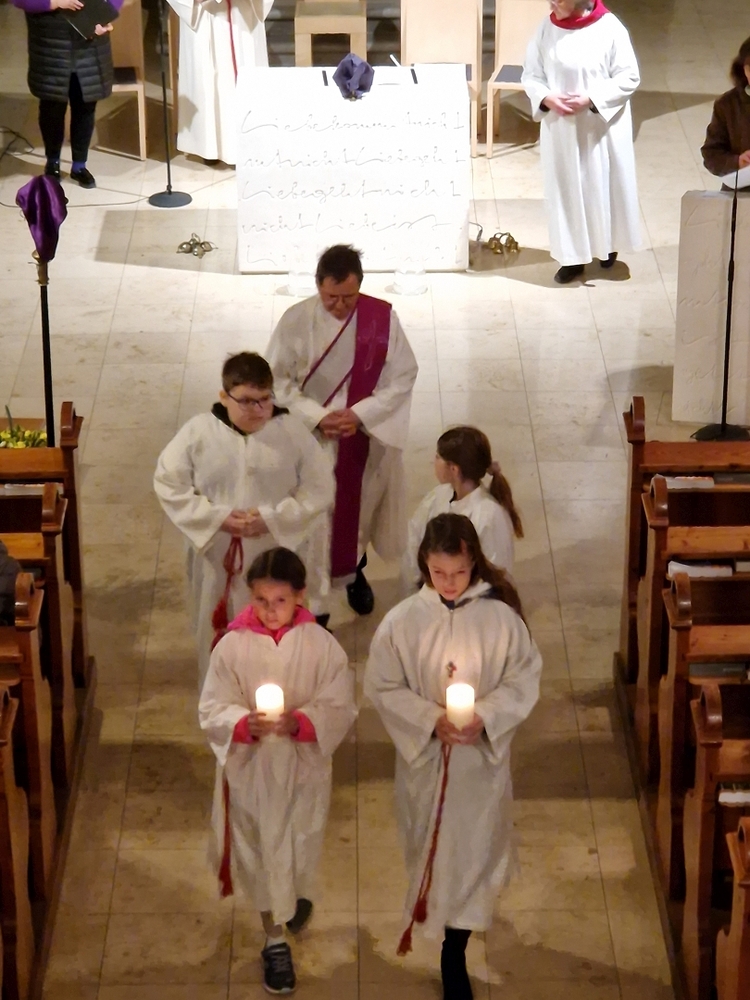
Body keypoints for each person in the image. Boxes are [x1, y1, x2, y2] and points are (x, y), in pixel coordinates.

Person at [365, 514, 542, 1000]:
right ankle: (444, 929)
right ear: (424, 563)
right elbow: (381, 685)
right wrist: (429, 719)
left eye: (459, 572)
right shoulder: (402, 622)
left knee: (474, 857)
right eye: (439, 572)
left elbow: (524, 677)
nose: (449, 583)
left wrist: (484, 715)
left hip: (478, 769)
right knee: (430, 853)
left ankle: (455, 950)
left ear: (474, 564)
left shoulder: (500, 620)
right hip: (424, 765)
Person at [199, 547, 356, 995]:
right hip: (252, 772)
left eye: (280, 601)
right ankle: (274, 940)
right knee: (263, 851)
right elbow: (212, 706)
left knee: (299, 842)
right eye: (261, 601)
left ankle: (293, 895)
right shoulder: (232, 647)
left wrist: (302, 723)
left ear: (300, 596)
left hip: (302, 769)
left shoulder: (320, 646)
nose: (270, 611)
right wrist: (241, 723)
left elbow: (340, 703)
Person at [154, 352, 334, 685]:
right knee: (216, 636)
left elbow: (320, 487)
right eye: (248, 401)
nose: (258, 410)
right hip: (217, 555)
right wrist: (217, 517)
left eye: (265, 399)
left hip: (274, 554)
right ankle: (221, 701)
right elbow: (168, 482)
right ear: (224, 396)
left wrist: (272, 519)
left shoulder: (291, 432)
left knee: (277, 639)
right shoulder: (198, 433)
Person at [266, 244, 419, 617]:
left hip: (361, 436)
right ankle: (311, 594)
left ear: (360, 286)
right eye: (331, 297)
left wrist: (359, 414)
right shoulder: (295, 320)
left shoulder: (380, 320)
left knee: (359, 511)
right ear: (318, 285)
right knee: (314, 516)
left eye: (348, 297)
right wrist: (318, 416)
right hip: (310, 437)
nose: (339, 306)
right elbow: (276, 382)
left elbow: (402, 376)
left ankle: (355, 573)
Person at [522, 0, 641, 284]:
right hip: (562, 130)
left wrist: (592, 99)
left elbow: (629, 76)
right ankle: (572, 258)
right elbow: (531, 74)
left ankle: (607, 246)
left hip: (600, 129)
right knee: (567, 191)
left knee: (602, 186)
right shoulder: (545, 29)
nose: (553, 3)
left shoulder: (609, 27)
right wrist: (546, 97)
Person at [13, 0, 123, 188]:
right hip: (50, 40)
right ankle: (52, 162)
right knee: (52, 105)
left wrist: (104, 16)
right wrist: (55, 2)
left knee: (86, 104)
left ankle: (79, 165)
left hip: (90, 41)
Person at [401, 426, 523, 595]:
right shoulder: (439, 495)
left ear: (454, 469)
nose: (433, 461)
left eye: (438, 457)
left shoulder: (490, 516)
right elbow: (414, 537)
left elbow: (494, 577)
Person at [166, 0, 273, 165]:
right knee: (208, 78)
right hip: (205, 13)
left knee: (247, 68)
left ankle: (250, 141)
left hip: (244, 13)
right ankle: (210, 148)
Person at [701, 37, 750, 190]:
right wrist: (738, 161)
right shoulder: (727, 105)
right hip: (742, 193)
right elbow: (711, 154)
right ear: (742, 69)